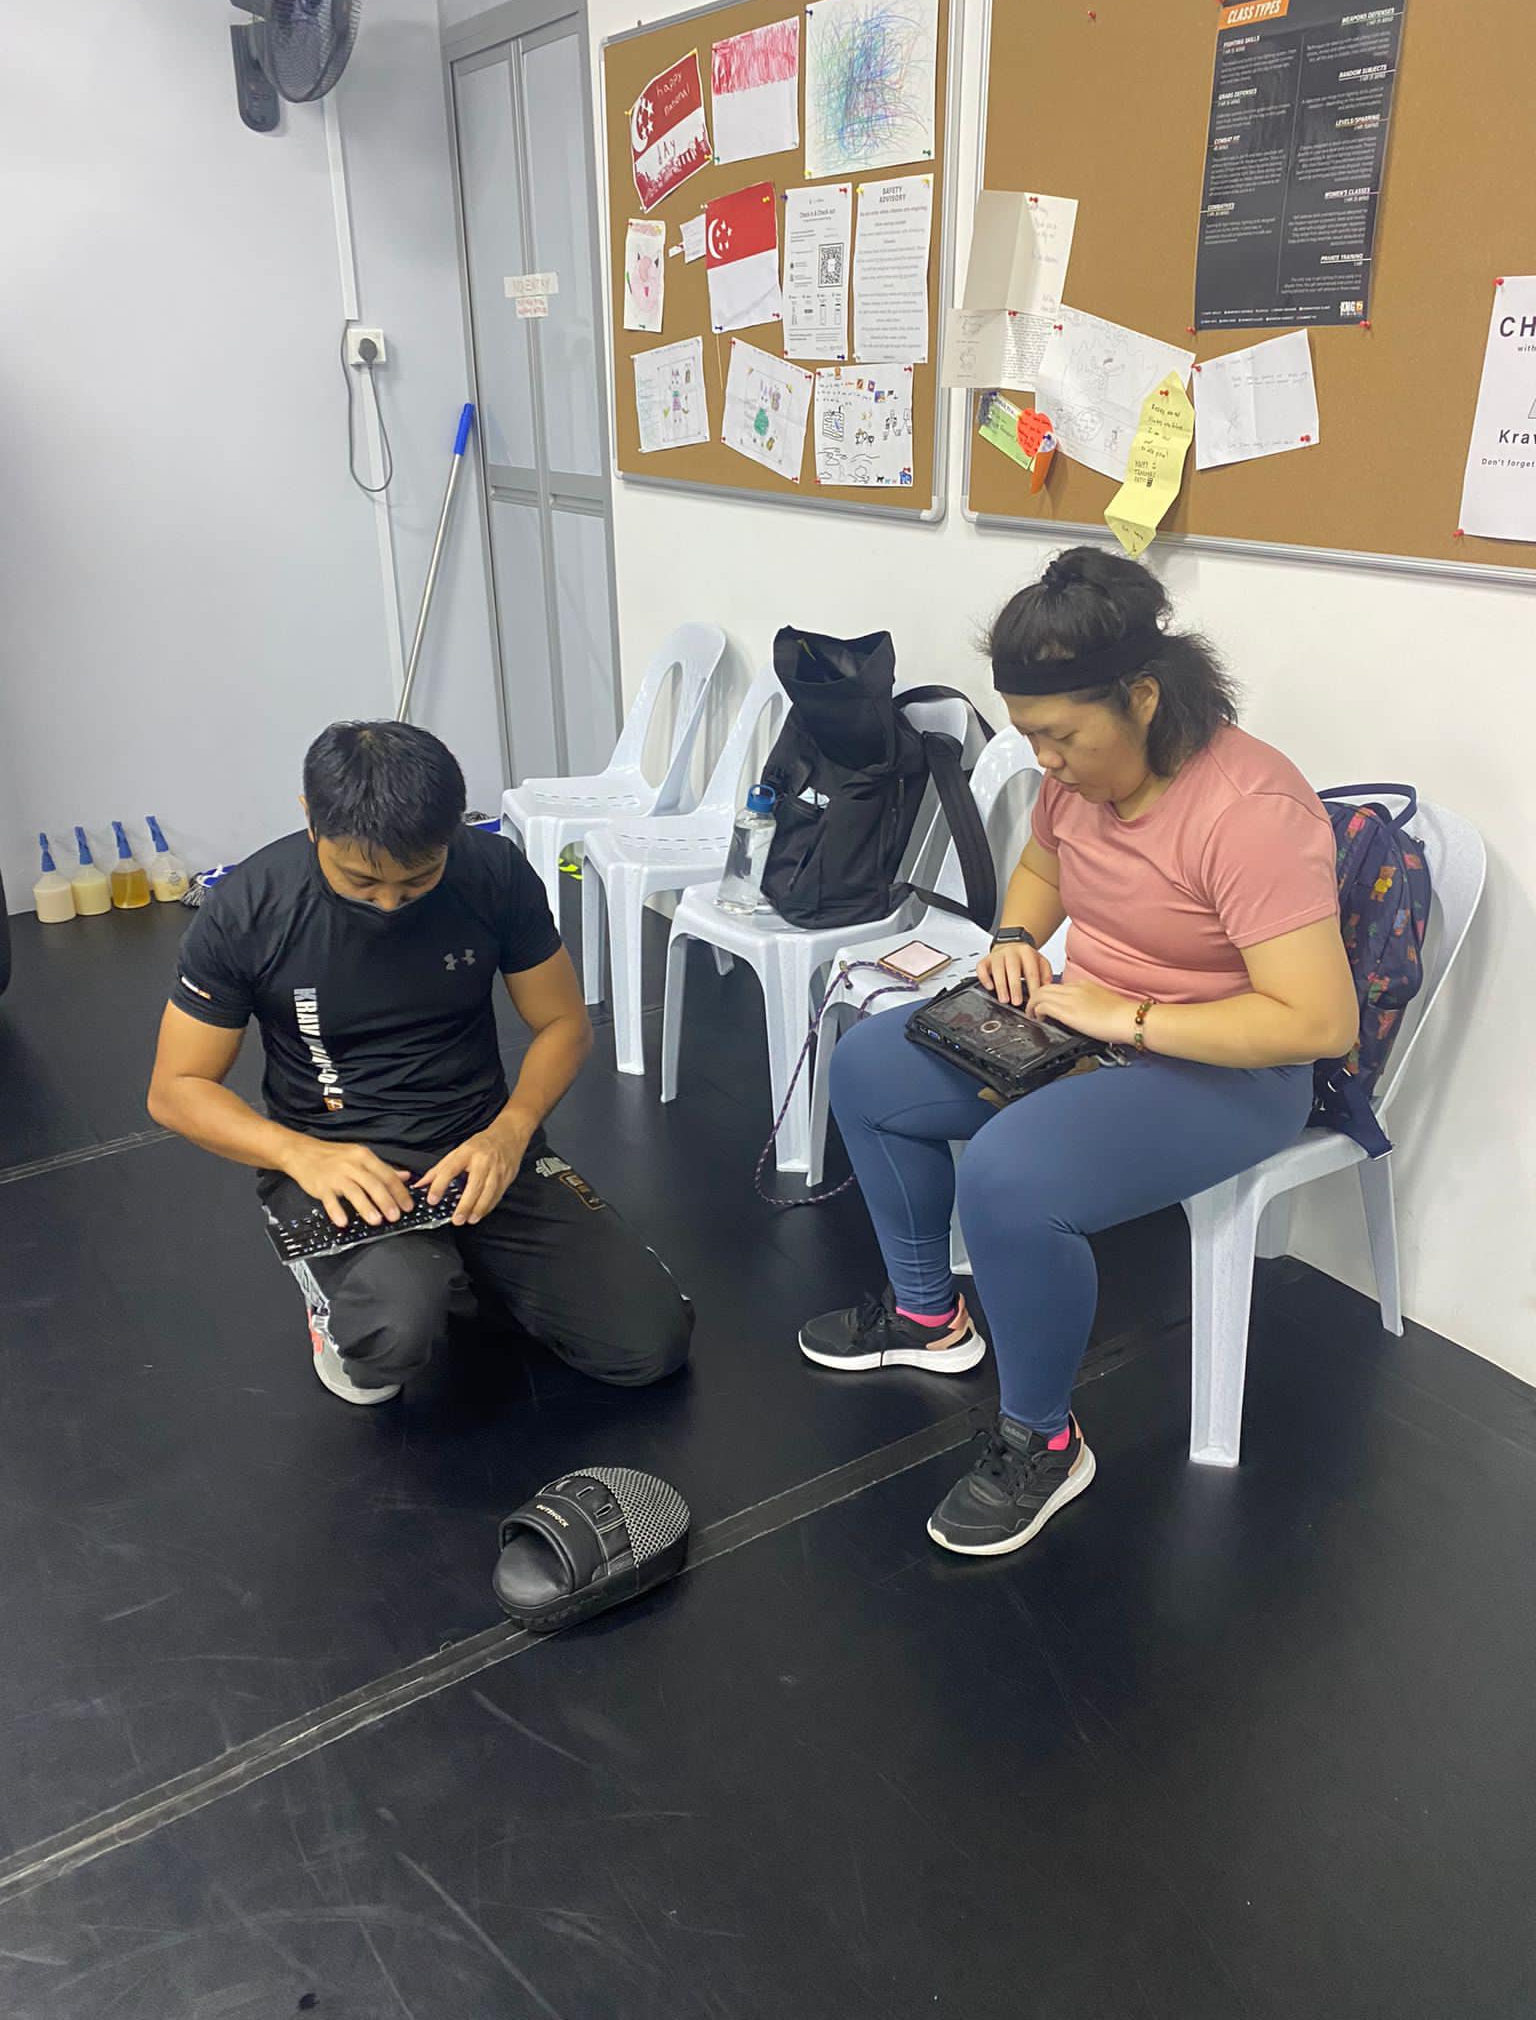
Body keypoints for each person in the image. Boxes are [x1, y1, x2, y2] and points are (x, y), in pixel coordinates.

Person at [800, 548, 1356, 1557]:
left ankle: (1045, 1437)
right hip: (1088, 1017)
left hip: (1229, 1067)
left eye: (1058, 736)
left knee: (1013, 1177)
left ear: (1142, 696)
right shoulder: (1080, 783)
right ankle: (929, 1318)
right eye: (1028, 738)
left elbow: (1319, 1022)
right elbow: (1041, 862)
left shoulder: (1251, 811)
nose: (1044, 762)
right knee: (870, 1065)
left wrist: (1129, 1020)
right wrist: (1015, 939)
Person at [148, 721, 691, 1405]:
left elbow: (562, 1024)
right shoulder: (248, 911)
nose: (388, 903)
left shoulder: (492, 873)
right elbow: (176, 1089)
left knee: (651, 1343)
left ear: (453, 833)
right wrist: (302, 1157)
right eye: (362, 880)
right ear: (310, 817)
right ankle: (350, 1290)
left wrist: (511, 1129)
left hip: (481, 1148)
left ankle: (466, 1267)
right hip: (339, 1165)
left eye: (417, 880)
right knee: (391, 1343)